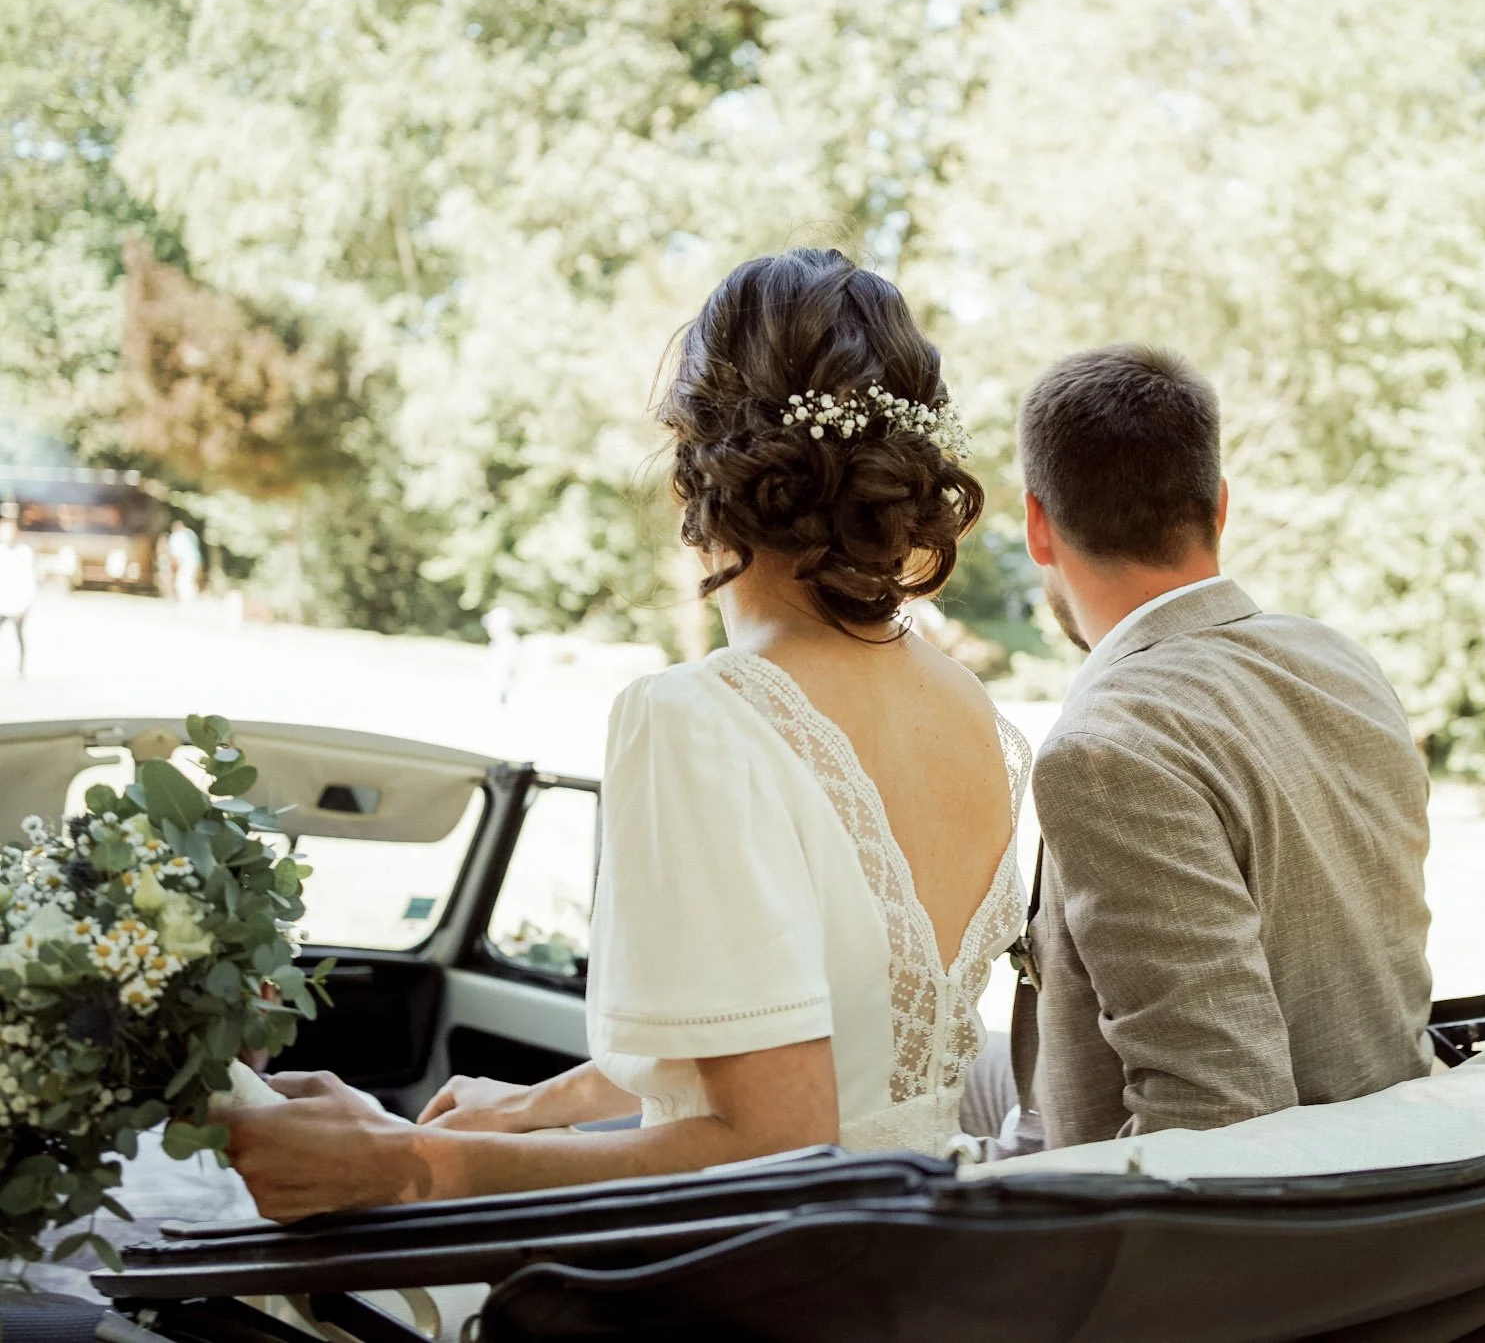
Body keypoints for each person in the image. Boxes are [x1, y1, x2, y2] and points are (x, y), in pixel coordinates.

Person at [219, 249, 1030, 1219]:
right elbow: (788, 1038)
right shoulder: (970, 711)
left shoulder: (700, 718)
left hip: (761, 1274)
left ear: (695, 451)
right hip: (919, 1256)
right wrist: (528, 1107)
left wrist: (411, 1165)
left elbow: (777, 1139)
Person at [1005, 344, 1434, 1152]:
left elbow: (1218, 1118)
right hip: (1401, 1153)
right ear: (1219, 506)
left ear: (1036, 524)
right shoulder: (1341, 661)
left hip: (1241, 1230)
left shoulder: (1108, 749)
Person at [0, 508, 36, 678]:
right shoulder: (2, 551)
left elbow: (28, 580)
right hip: (3, 601)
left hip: (18, 602)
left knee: (19, 636)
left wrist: (25, 605)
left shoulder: (23, 553)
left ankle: (21, 668)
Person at [166, 520, 203, 605]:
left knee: (182, 583)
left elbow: (175, 555)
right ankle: (193, 601)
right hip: (196, 562)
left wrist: (174, 567)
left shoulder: (176, 536)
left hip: (185, 563)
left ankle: (187, 603)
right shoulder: (191, 533)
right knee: (191, 582)